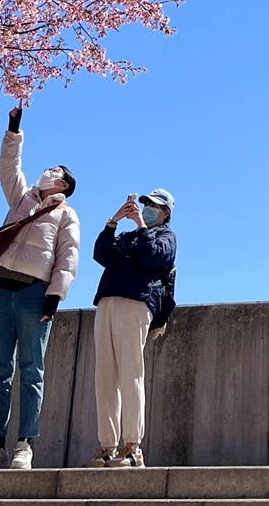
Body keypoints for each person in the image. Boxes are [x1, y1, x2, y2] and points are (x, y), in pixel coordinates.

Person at [0, 106, 80, 471]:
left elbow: (68, 256)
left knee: (32, 369)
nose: (47, 170)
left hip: (36, 294)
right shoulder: (22, 198)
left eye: (55, 171)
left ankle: (25, 444)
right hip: (0, 290)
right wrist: (14, 128)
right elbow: (8, 167)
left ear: (64, 185)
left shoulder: (66, 215)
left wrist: (56, 294)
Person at [85, 188, 176, 469]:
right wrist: (113, 222)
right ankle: (107, 447)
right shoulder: (126, 237)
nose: (147, 207)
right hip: (108, 301)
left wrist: (141, 226)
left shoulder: (165, 237)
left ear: (165, 213)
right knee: (105, 376)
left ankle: (133, 447)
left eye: (154, 206)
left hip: (137, 302)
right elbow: (101, 254)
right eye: (145, 203)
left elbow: (154, 259)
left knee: (130, 372)